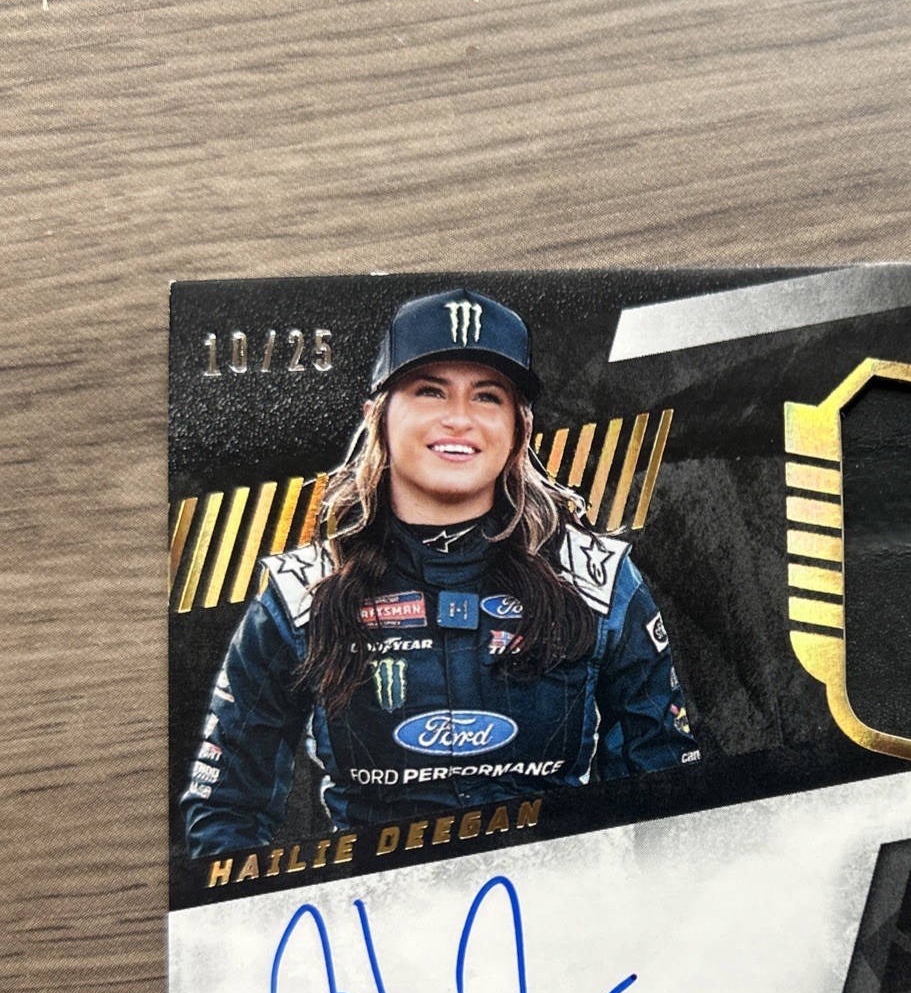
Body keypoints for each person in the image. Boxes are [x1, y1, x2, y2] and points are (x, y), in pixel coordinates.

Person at [182, 288, 697, 857]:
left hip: (556, 899)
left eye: (487, 396)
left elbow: (665, 790)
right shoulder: (303, 592)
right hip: (373, 904)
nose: (458, 419)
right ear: (377, 417)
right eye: (430, 391)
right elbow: (225, 808)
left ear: (520, 427)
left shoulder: (598, 581)